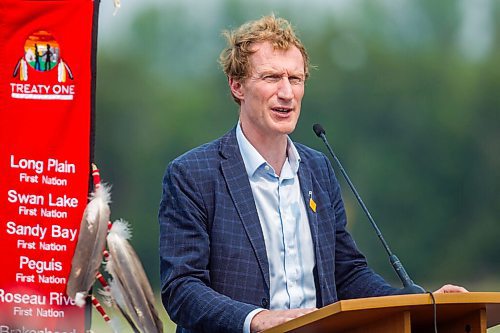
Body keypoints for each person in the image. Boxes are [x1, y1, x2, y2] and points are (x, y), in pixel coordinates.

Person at [159, 15, 466, 333]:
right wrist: (257, 319)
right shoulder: (192, 175)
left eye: (295, 79)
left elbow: (347, 275)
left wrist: (419, 305)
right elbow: (182, 289)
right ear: (237, 86)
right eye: (271, 78)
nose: (286, 93)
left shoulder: (318, 168)